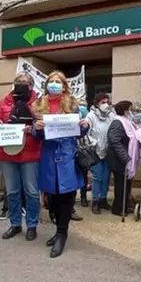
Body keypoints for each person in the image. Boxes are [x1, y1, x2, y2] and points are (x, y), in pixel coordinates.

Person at [31, 71, 89, 257]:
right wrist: (36, 129)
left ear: (64, 86)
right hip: (48, 155)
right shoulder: (39, 105)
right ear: (46, 85)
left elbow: (79, 133)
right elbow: (36, 135)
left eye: (58, 82)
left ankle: (62, 234)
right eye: (51, 81)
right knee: (52, 199)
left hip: (67, 155)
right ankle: (58, 230)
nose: (54, 84)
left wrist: (84, 126)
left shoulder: (73, 105)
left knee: (66, 197)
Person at [0, 72, 41, 241]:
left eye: (25, 82)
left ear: (31, 86)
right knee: (12, 191)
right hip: (8, 152)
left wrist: (34, 127)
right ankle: (15, 224)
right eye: (18, 81)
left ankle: (32, 225)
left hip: (30, 152)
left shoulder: (39, 103)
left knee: (32, 192)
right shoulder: (5, 101)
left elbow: (43, 124)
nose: (21, 84)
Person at [107, 100, 141, 217]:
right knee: (120, 185)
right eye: (130, 109)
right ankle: (118, 208)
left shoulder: (128, 122)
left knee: (127, 185)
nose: (131, 112)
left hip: (127, 159)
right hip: (120, 160)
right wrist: (126, 158)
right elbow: (114, 141)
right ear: (125, 110)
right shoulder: (117, 123)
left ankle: (125, 206)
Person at [86, 93, 115, 214]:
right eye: (103, 102)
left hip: (107, 151)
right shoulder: (90, 116)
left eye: (107, 102)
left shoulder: (111, 116)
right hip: (95, 152)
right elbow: (86, 133)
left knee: (106, 177)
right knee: (97, 177)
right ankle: (95, 201)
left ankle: (103, 199)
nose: (105, 105)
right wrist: (95, 143)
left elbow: (114, 129)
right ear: (97, 103)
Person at [77, 98, 91, 207]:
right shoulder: (74, 117)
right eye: (80, 105)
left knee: (84, 175)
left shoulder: (88, 118)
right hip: (74, 149)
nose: (82, 107)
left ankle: (83, 197)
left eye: (84, 105)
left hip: (84, 150)